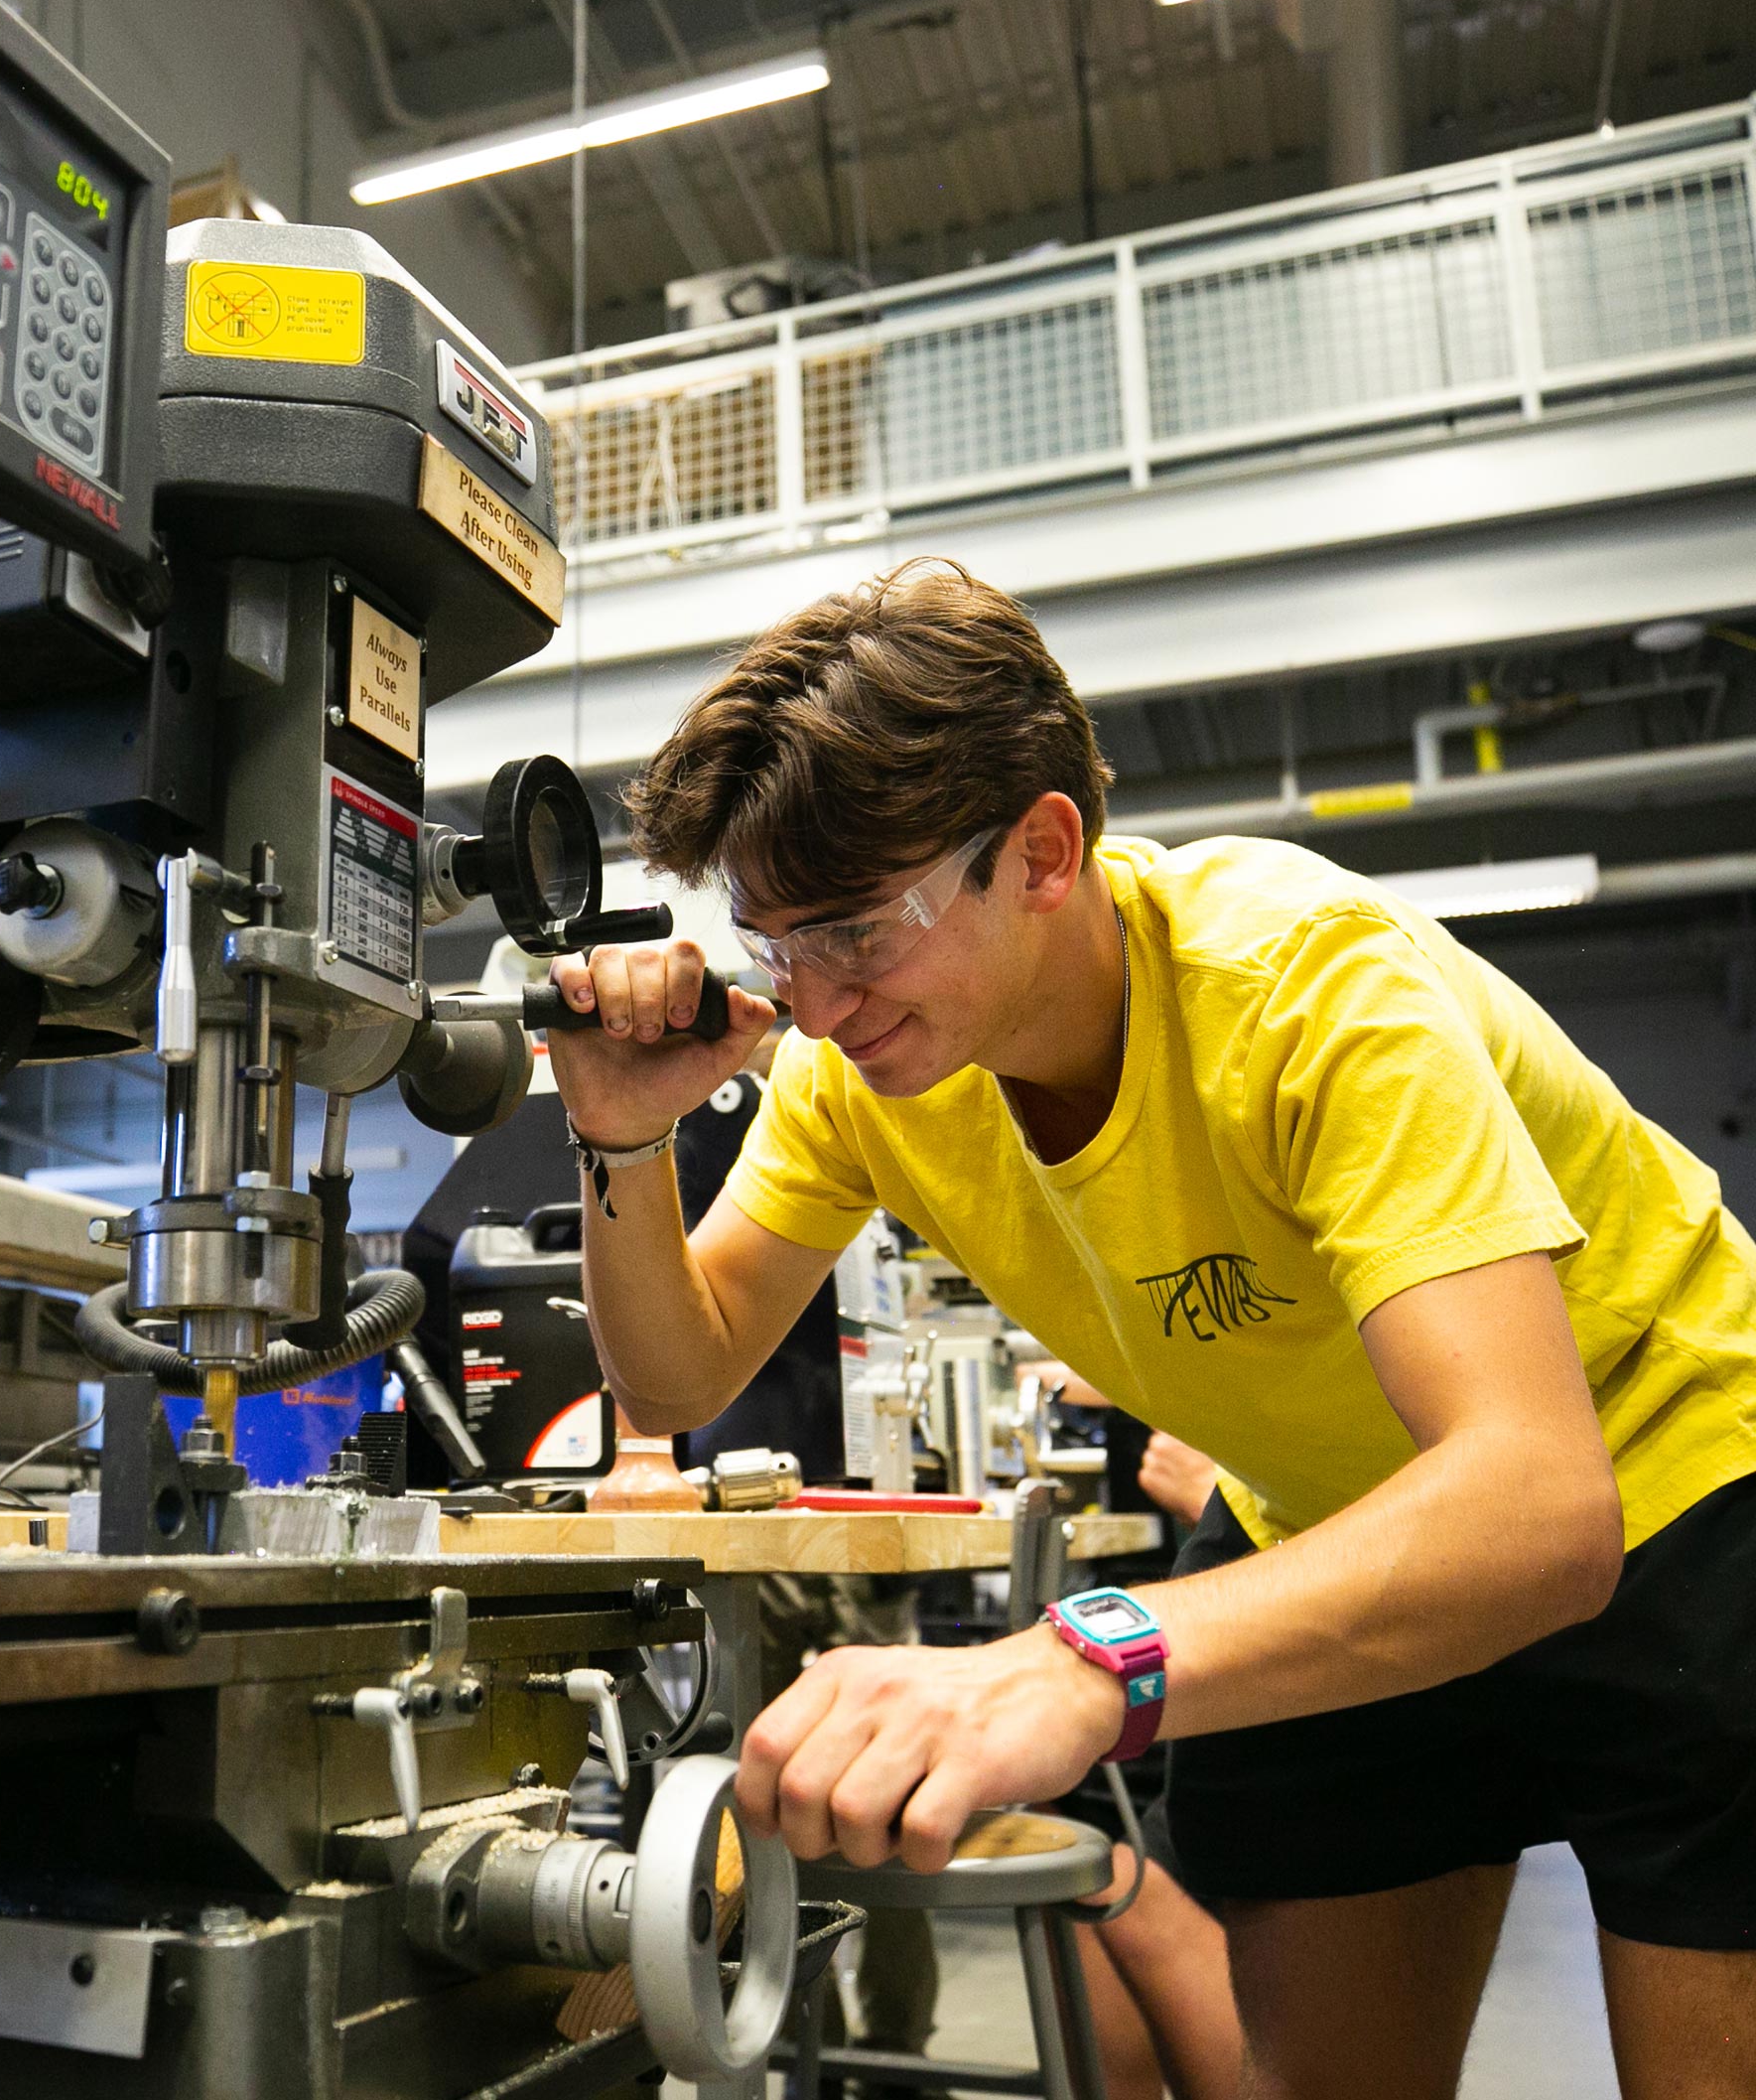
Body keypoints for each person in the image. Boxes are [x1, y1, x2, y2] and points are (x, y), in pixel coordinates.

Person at [544, 559, 1756, 2099]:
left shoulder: (1306, 991)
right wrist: (627, 1140)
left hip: (1684, 1487)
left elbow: (1542, 1504)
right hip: (1333, 1524)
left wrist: (1079, 1657)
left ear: (1043, 849)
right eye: (782, 946)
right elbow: (678, 1368)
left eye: (858, 931)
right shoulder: (862, 1079)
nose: (821, 1002)